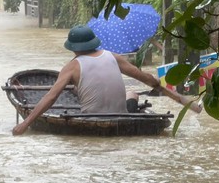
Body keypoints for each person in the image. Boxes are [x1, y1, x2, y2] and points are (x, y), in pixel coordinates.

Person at [12, 25, 203, 135]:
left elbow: (51, 98)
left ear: (73, 47)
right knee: (132, 93)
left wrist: (26, 123)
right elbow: (145, 78)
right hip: (122, 115)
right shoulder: (113, 56)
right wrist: (155, 83)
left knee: (85, 92)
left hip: (90, 118)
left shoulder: (71, 67)